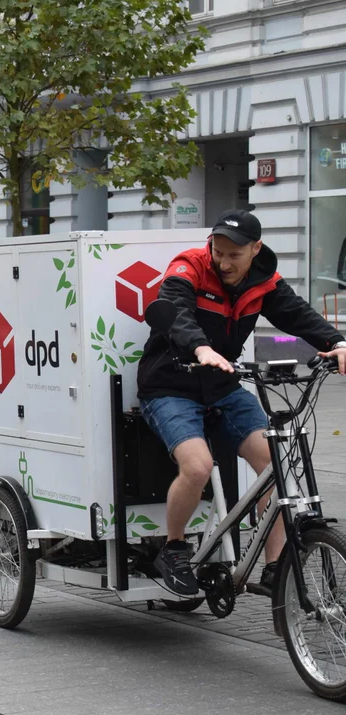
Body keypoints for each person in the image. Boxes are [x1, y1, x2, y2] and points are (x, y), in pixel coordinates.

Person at [138, 209, 346, 596]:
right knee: (198, 467)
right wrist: (201, 348)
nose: (224, 261)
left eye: (235, 254)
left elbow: (297, 314)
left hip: (223, 385)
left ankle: (273, 567)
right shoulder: (190, 266)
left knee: (275, 465)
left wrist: (336, 343)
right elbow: (174, 312)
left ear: (256, 249)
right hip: (171, 385)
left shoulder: (264, 280)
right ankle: (175, 548)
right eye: (219, 251)